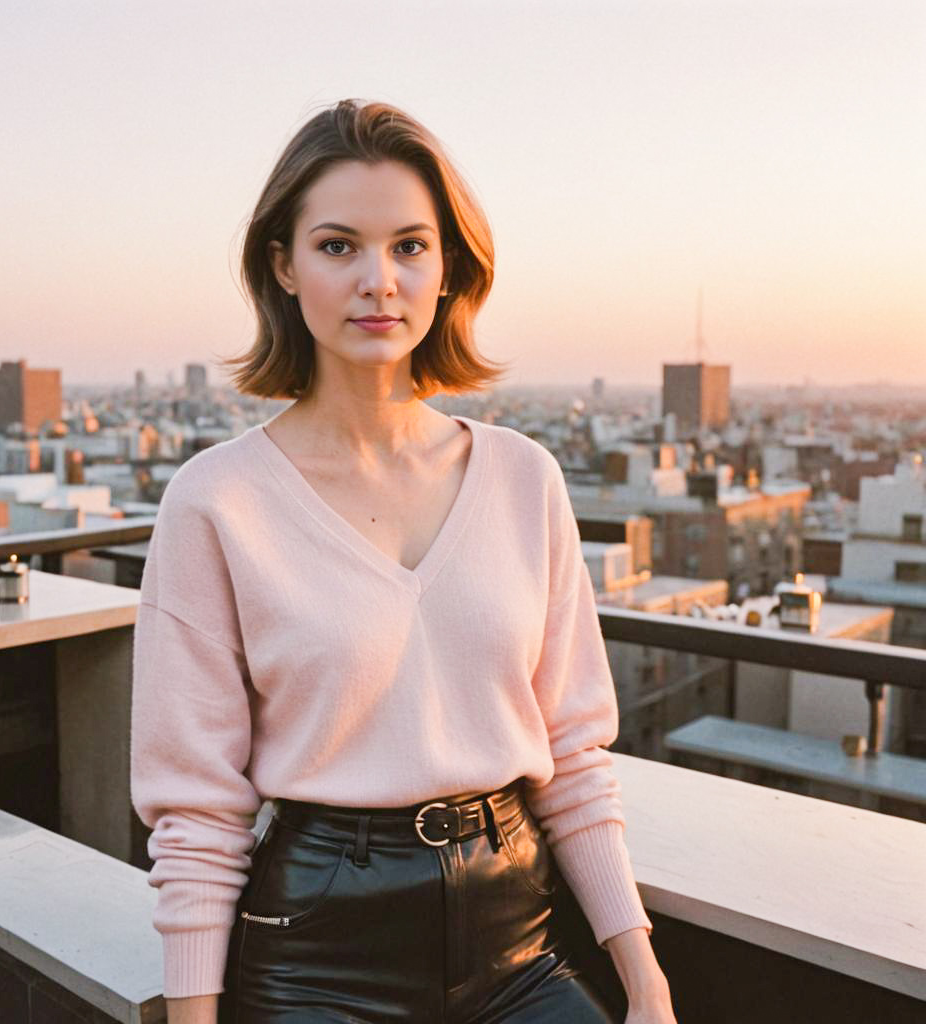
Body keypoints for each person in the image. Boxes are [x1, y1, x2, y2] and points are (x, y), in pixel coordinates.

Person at [130, 98, 677, 1024]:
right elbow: (198, 813)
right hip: (318, 961)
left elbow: (574, 756)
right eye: (339, 245)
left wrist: (644, 977)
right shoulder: (216, 500)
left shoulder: (523, 478)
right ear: (283, 265)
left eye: (410, 247)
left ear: (448, 269)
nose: (379, 280)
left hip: (522, 947)